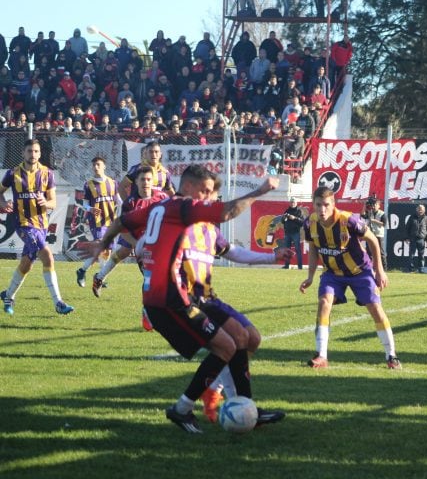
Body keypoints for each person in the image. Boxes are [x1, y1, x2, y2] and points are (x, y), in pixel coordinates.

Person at [87, 166, 282, 433]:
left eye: (211, 193)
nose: (207, 197)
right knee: (226, 346)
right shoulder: (182, 207)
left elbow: (123, 222)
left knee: (242, 337)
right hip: (172, 297)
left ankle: (245, 406)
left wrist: (103, 242)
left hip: (190, 295)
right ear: (188, 187)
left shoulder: (163, 209)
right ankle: (183, 408)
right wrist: (260, 190)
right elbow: (226, 211)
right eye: (204, 191)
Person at [167, 178, 292, 424]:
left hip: (209, 297)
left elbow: (232, 252)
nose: (214, 201)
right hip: (188, 300)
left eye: (214, 196)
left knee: (253, 338)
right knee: (238, 340)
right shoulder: (177, 224)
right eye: (211, 195)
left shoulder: (210, 229)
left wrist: (271, 257)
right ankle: (245, 408)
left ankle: (214, 388)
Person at [299, 186, 401, 370]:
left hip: (359, 271)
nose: (322, 209)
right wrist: (310, 276)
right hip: (332, 273)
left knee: (375, 308)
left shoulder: (348, 220)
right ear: (313, 204)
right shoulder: (309, 223)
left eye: (326, 205)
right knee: (324, 302)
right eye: (318, 205)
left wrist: (379, 270)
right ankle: (321, 355)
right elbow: (313, 248)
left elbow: (373, 240)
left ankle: (391, 356)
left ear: (333, 204)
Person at [0, 139, 73, 315]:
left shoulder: (47, 173)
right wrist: (3, 203)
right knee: (47, 255)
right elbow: (0, 193)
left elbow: (53, 202)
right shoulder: (13, 174)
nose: (32, 155)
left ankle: (8, 296)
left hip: (41, 224)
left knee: (27, 264)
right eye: (29, 151)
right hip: (23, 224)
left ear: (40, 154)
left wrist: (45, 203)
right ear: (23, 153)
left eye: (35, 151)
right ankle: (58, 302)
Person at [92, 166, 168, 298]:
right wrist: (138, 244)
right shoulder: (129, 204)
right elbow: (122, 230)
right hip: (138, 239)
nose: (146, 182)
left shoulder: (163, 198)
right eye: (142, 180)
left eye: (148, 179)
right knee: (128, 255)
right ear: (136, 182)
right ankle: (100, 277)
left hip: (158, 242)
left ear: (153, 181)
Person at [76, 156, 119, 288]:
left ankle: (82, 271)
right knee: (101, 247)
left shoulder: (113, 183)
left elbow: (119, 200)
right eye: (94, 165)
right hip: (97, 222)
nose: (96, 167)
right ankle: (100, 277)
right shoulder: (89, 184)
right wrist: (90, 209)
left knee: (106, 251)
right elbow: (85, 204)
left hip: (111, 221)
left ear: (104, 166)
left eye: (98, 164)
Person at [361, 196, 387, 270]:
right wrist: (365, 205)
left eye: (376, 204)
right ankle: (370, 267)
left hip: (379, 235)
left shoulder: (382, 213)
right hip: (370, 234)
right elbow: (362, 214)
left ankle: (384, 268)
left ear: (379, 206)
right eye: (373, 204)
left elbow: (384, 224)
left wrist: (374, 221)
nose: (374, 206)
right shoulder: (369, 212)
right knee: (369, 252)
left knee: (381, 252)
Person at [404, 204, 427, 272]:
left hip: (421, 239)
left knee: (421, 255)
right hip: (413, 239)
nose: (420, 211)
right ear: (416, 210)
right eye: (419, 209)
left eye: (421, 210)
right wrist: (406, 238)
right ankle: (410, 269)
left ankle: (421, 268)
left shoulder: (426, 218)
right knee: (411, 255)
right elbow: (407, 228)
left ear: (424, 210)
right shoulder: (412, 217)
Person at [281, 196, 304, 269]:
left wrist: (294, 218)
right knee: (287, 250)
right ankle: (287, 265)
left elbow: (302, 222)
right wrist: (283, 219)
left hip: (295, 233)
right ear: (289, 203)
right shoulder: (287, 211)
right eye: (291, 202)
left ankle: (300, 266)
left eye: (294, 202)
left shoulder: (299, 211)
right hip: (287, 233)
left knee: (298, 250)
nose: (292, 203)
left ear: (296, 203)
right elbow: (282, 221)